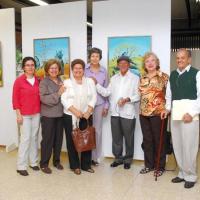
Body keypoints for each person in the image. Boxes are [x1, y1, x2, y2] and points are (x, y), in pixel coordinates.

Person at [161, 48, 200, 188]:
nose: (180, 60)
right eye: (178, 58)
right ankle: (182, 173)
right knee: (178, 144)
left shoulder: (197, 74)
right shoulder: (173, 75)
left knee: (189, 145)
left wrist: (193, 113)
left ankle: (191, 175)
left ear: (189, 59)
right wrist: (167, 109)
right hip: (176, 114)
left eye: (183, 58)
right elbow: (169, 96)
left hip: (190, 115)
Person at [93, 55, 140, 169]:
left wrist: (127, 99)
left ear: (129, 65)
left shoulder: (135, 78)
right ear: (118, 65)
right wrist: (96, 84)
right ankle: (118, 158)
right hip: (115, 113)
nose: (123, 65)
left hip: (128, 113)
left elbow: (138, 95)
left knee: (129, 138)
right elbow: (106, 92)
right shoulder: (114, 78)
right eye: (121, 64)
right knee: (116, 138)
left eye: (125, 63)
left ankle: (128, 159)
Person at [61, 59, 97, 175]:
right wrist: (75, 111)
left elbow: (94, 97)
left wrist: (89, 110)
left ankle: (86, 165)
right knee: (72, 140)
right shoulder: (67, 82)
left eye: (80, 68)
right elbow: (63, 99)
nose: (78, 70)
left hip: (86, 115)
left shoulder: (90, 81)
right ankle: (75, 165)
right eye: (75, 68)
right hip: (71, 115)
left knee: (87, 138)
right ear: (72, 70)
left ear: (83, 70)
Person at [139, 52, 169, 177]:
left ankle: (159, 166)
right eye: (147, 61)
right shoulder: (142, 78)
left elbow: (169, 95)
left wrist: (166, 109)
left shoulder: (164, 77)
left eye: (152, 61)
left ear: (157, 63)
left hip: (158, 113)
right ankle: (149, 165)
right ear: (145, 65)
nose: (150, 63)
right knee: (147, 140)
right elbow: (141, 95)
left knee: (159, 140)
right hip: (143, 113)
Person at [12, 57, 40, 176]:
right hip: (24, 114)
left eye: (32, 65)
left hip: (36, 113)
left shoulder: (38, 79)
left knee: (34, 138)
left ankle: (33, 162)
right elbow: (15, 99)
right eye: (27, 65)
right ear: (23, 67)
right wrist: (18, 114)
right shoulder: (19, 81)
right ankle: (21, 165)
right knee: (25, 139)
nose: (30, 67)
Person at [39, 59, 65, 174]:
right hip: (48, 116)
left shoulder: (61, 80)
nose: (54, 70)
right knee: (47, 140)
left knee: (58, 140)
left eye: (55, 68)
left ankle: (56, 161)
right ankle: (44, 163)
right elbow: (44, 99)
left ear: (59, 69)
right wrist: (58, 93)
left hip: (60, 115)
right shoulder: (44, 82)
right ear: (47, 70)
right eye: (51, 68)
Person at [85, 47, 109, 166]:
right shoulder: (84, 70)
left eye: (97, 56)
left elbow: (107, 90)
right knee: (86, 130)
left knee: (97, 131)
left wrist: (106, 105)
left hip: (99, 104)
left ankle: (95, 157)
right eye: (92, 56)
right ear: (89, 57)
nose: (94, 58)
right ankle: (86, 156)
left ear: (100, 58)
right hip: (85, 105)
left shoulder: (104, 71)